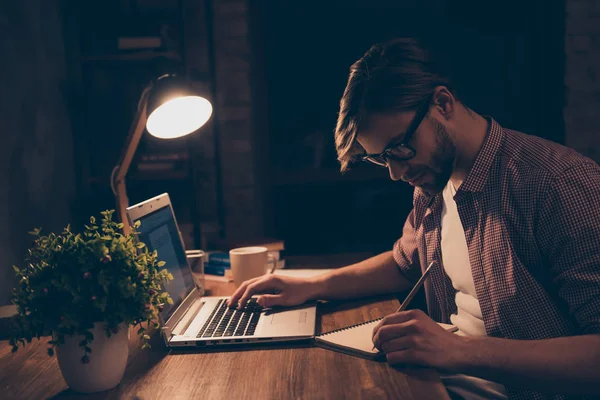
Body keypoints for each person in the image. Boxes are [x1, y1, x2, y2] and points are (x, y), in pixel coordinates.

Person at [227, 38, 600, 400]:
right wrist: (314, 286)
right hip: (444, 378)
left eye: (399, 149)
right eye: (380, 158)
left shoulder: (559, 185)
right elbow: (408, 263)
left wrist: (458, 352)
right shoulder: (432, 179)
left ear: (443, 103)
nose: (395, 172)